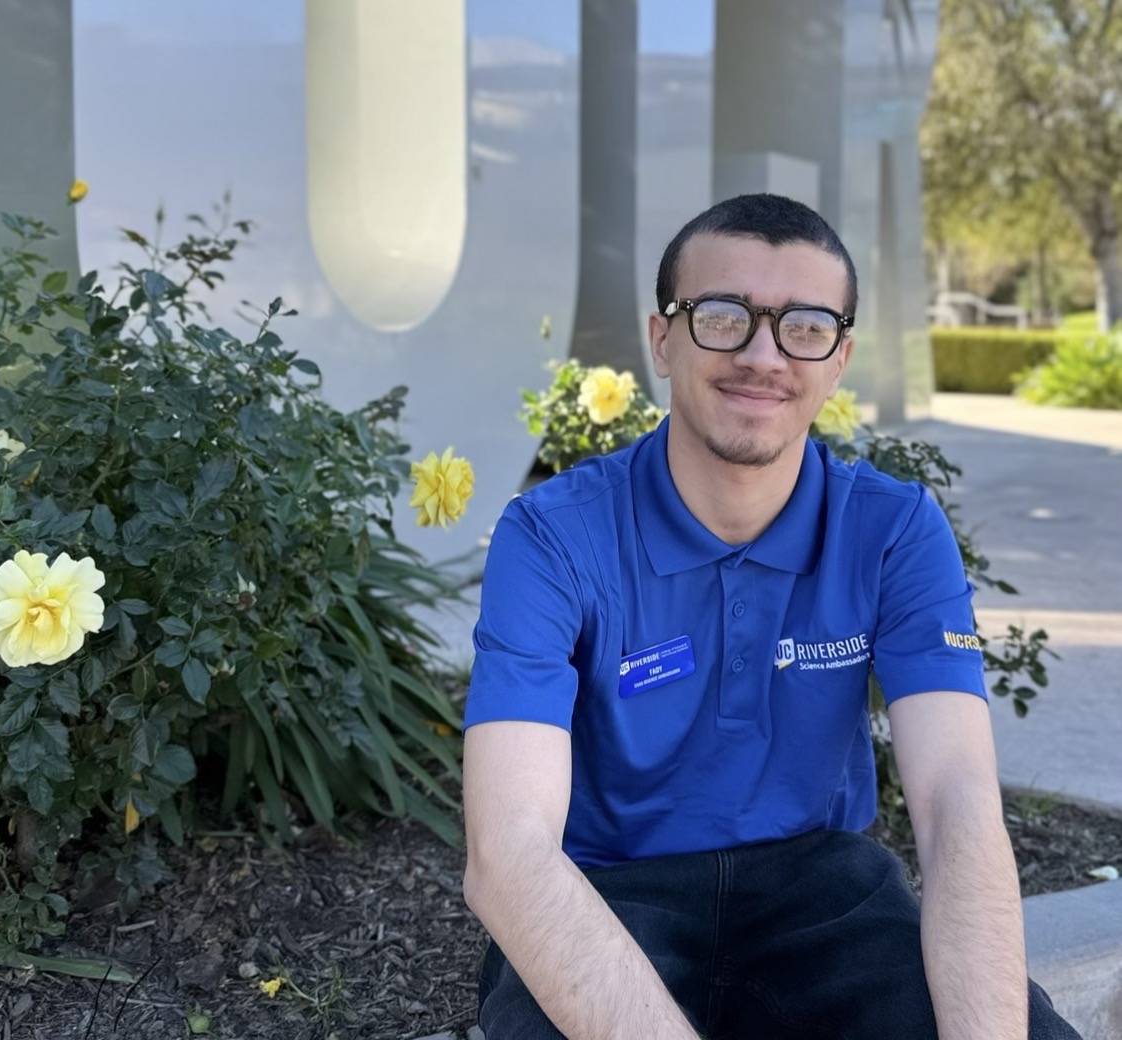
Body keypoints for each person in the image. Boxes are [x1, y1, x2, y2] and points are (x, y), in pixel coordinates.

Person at [461, 194, 1081, 1040]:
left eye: (805, 326)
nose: (763, 355)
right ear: (663, 339)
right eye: (723, 316)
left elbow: (957, 803)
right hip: (610, 894)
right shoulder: (553, 536)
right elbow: (510, 855)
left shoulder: (893, 529)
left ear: (840, 358)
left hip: (824, 895)